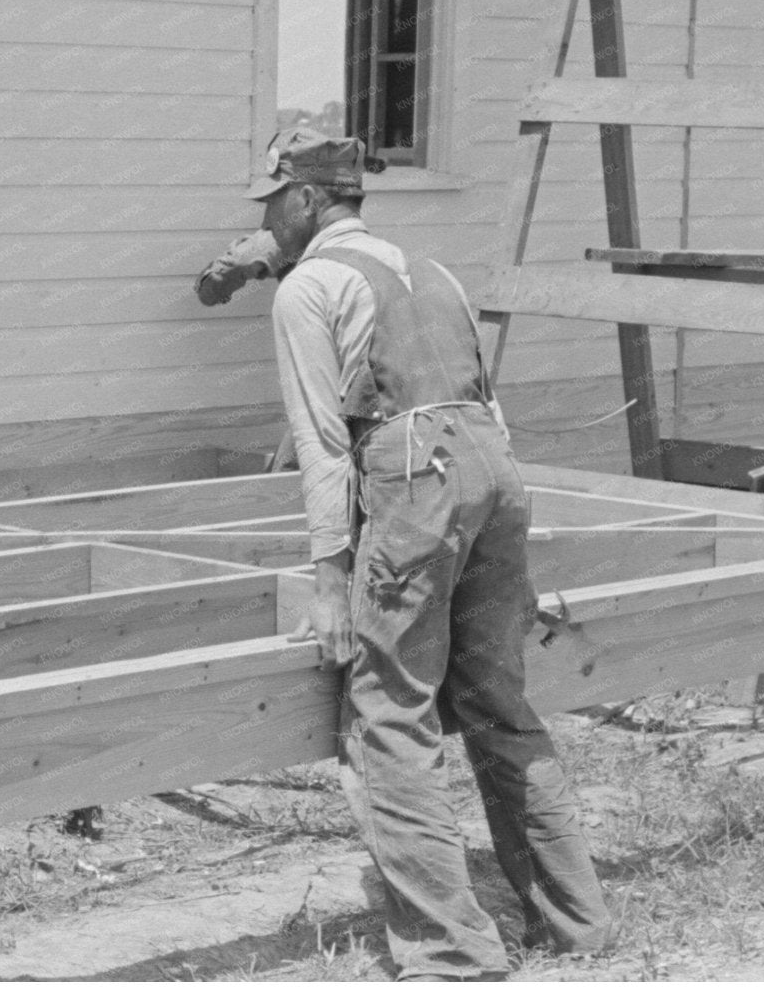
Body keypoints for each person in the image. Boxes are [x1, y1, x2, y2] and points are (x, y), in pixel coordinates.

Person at [248, 129, 612, 981]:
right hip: (493, 468)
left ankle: (450, 950)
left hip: (415, 477)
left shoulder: (309, 287)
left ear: (305, 200)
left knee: (390, 713)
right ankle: (578, 920)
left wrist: (332, 579)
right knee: (497, 697)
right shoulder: (435, 269)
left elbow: (322, 443)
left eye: (271, 203)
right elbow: (491, 406)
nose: (266, 222)